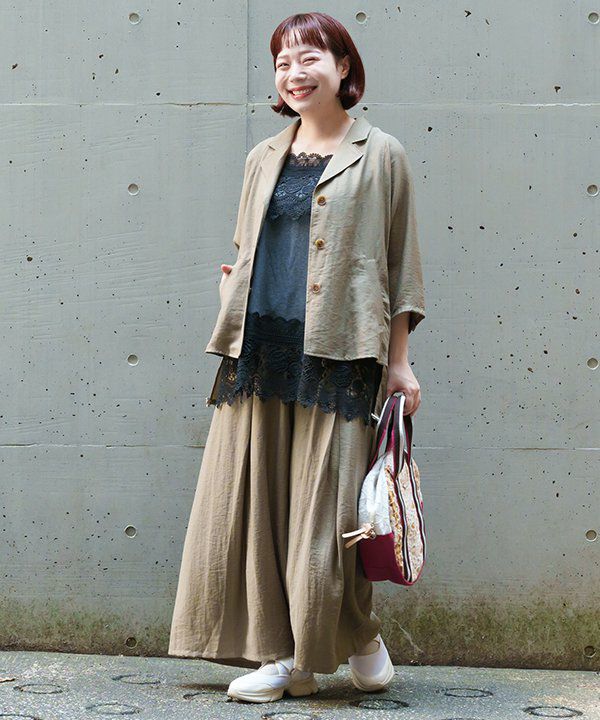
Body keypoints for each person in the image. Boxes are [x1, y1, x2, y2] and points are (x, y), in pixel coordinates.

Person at [168, 11, 426, 704]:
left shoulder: (382, 154)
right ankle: (291, 656)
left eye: (309, 57)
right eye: (283, 61)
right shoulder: (263, 156)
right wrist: (232, 290)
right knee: (262, 510)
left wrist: (399, 363)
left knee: (326, 517)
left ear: (344, 67)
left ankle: (346, 639)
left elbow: (401, 268)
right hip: (260, 349)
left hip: (340, 352)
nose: (294, 72)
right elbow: (249, 245)